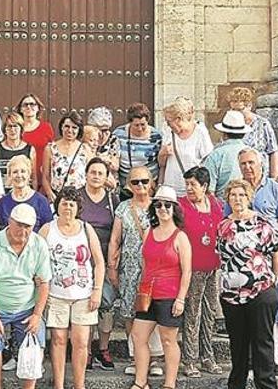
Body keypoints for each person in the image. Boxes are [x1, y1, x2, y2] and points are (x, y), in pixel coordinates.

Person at [236, 147, 278, 375]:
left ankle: (277, 358)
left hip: (272, 257)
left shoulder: (275, 189)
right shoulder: (236, 190)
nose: (248, 168)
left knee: (276, 308)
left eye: (251, 163)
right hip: (243, 261)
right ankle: (253, 358)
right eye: (243, 164)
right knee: (249, 310)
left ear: (261, 163)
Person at [0, 203, 51, 389]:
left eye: (27, 226)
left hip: (27, 306)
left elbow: (44, 283)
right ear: (9, 221)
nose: (23, 230)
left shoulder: (39, 244)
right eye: (19, 224)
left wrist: (36, 315)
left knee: (35, 348)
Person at [39, 187, 105, 389]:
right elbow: (37, 261)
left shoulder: (86, 229)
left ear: (78, 207)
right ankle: (58, 384)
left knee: (82, 341)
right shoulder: (47, 229)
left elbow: (99, 262)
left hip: (83, 295)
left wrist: (97, 290)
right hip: (56, 294)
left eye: (72, 204)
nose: (67, 207)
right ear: (57, 205)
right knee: (58, 339)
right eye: (64, 203)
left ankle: (79, 385)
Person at [217, 180, 278, 389]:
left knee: (262, 345)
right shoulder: (223, 226)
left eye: (241, 195)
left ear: (249, 197)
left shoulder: (261, 223)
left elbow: (275, 248)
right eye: (233, 195)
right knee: (238, 346)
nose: (237, 199)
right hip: (232, 294)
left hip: (260, 290)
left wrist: (275, 276)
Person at [131, 185, 191, 389]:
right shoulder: (149, 231)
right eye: (158, 205)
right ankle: (141, 382)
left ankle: (169, 384)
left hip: (169, 295)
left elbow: (187, 271)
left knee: (168, 340)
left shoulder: (180, 237)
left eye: (167, 205)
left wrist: (181, 298)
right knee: (138, 336)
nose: (162, 208)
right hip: (148, 293)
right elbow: (145, 262)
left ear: (174, 208)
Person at [107, 167, 163, 377]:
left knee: (153, 310)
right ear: (129, 185)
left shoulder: (160, 207)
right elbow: (115, 239)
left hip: (154, 269)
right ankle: (135, 356)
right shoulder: (123, 208)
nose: (140, 186)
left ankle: (154, 357)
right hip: (129, 269)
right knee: (131, 312)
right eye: (135, 182)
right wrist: (112, 267)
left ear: (151, 183)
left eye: (144, 181)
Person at [177, 166, 224, 377]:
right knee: (192, 313)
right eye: (187, 184)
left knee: (209, 313)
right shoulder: (181, 206)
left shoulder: (214, 204)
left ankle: (208, 355)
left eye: (193, 184)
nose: (189, 188)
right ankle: (190, 359)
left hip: (212, 267)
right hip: (191, 269)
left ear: (204, 186)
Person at [79, 157, 119, 370]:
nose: (96, 176)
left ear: (106, 177)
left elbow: (118, 232)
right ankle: (84, 350)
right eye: (92, 172)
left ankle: (103, 348)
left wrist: (113, 263)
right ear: (86, 174)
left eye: (100, 173)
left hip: (105, 259)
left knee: (106, 303)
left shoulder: (113, 200)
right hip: (80, 261)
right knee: (83, 304)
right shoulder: (77, 197)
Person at [158, 97, 213, 196]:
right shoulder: (168, 131)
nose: (167, 124)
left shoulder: (200, 132)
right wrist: (162, 153)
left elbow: (208, 162)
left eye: (169, 121)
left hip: (191, 190)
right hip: (170, 188)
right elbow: (162, 164)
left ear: (178, 119)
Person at [227, 87, 278, 179]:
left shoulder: (263, 124)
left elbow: (273, 151)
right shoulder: (229, 124)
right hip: (239, 177)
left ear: (249, 106)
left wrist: (273, 177)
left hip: (261, 176)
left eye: (239, 110)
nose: (236, 114)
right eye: (233, 110)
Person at [113, 102, 163, 194]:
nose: (140, 128)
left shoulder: (156, 136)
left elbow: (160, 162)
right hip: (126, 185)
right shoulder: (119, 133)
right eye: (136, 125)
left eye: (143, 124)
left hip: (147, 185)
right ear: (130, 122)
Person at [0, 155, 54, 232]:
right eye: (15, 172)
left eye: (23, 171)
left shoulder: (41, 201)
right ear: (9, 175)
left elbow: (48, 230)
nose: (19, 175)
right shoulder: (3, 202)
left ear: (29, 174)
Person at [43, 111, 92, 201]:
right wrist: (50, 193)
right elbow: (46, 176)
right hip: (57, 196)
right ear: (61, 127)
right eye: (67, 126)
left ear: (79, 130)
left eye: (74, 127)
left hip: (79, 198)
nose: (70, 130)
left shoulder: (85, 149)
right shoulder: (50, 148)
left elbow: (90, 174)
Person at [204, 110, 251, 198]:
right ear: (243, 134)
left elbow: (209, 191)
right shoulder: (252, 154)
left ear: (224, 134)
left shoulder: (215, 155)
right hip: (247, 204)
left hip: (222, 205)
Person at [16, 93, 55, 181]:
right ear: (21, 109)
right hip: (22, 176)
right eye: (25, 105)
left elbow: (51, 152)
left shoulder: (46, 128)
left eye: (32, 104)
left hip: (43, 175)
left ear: (38, 108)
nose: (29, 107)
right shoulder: (16, 129)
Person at [0, 112, 36, 190]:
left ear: (21, 129)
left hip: (25, 193)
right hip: (4, 194)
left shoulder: (30, 150)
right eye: (9, 126)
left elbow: (34, 178)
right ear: (4, 129)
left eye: (15, 126)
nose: (12, 130)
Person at [87, 106, 120, 191]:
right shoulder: (86, 139)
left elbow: (115, 165)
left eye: (105, 130)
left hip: (108, 185)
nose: (102, 134)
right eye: (98, 129)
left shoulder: (113, 140)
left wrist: (99, 158)